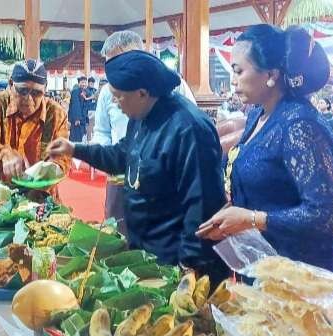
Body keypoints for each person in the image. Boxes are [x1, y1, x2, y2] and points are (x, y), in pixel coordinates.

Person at [48, 50, 230, 285]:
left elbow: (202, 206)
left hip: (180, 262)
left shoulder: (189, 128)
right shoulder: (142, 115)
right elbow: (122, 155)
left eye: (118, 96)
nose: (114, 102)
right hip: (148, 253)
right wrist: (75, 149)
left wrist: (189, 266)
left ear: (142, 93)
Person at [196, 24, 333, 276]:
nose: (232, 81)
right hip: (265, 262)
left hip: (301, 273)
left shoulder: (299, 125)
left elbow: (328, 214)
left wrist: (251, 219)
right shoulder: (259, 114)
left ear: (271, 75)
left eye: (238, 71)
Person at [92, 30, 198, 235]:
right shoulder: (107, 92)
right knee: (118, 240)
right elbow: (102, 131)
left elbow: (190, 130)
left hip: (164, 182)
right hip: (121, 180)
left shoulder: (174, 85)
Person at [0, 59, 71, 200]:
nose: (29, 99)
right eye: (22, 90)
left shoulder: (56, 113)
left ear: (45, 89)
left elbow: (64, 158)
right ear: (11, 84)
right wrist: (4, 154)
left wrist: (51, 169)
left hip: (41, 197)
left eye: (37, 93)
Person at [68, 76, 88, 142]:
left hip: (82, 119)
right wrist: (77, 118)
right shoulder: (75, 91)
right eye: (82, 82)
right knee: (76, 137)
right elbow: (76, 105)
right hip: (77, 120)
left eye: (85, 82)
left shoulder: (85, 92)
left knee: (81, 137)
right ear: (79, 83)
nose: (84, 84)